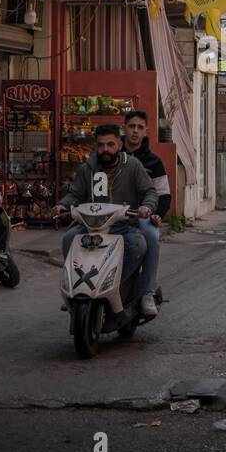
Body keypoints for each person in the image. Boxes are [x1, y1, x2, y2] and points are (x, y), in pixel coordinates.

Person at [57, 124, 159, 314]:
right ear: (96, 146)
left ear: (119, 145)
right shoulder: (88, 168)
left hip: (123, 225)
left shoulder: (133, 166)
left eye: (110, 144)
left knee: (139, 245)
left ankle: (133, 289)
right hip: (92, 226)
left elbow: (149, 191)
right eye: (101, 145)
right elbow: (75, 194)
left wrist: (147, 206)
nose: (106, 150)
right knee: (68, 239)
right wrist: (63, 205)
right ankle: (77, 290)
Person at [122, 110, 169, 315]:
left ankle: (147, 292)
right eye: (131, 126)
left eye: (140, 127)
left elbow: (164, 195)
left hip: (142, 216)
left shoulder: (153, 162)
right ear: (124, 127)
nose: (135, 131)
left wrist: (157, 214)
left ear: (145, 131)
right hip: (113, 214)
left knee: (150, 235)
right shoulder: (112, 155)